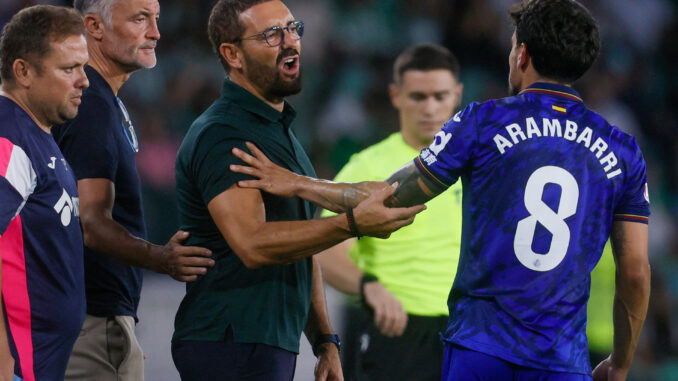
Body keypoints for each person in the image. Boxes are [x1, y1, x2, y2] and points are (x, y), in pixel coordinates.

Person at [231, 0, 651, 379]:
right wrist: (620, 362)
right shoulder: (624, 150)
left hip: (480, 350)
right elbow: (634, 272)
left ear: (522, 54)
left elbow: (389, 197)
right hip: (562, 359)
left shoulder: (484, 122)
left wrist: (297, 183)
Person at [171, 1, 425, 380]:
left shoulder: (279, 131)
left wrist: (325, 341)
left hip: (265, 342)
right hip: (229, 340)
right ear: (232, 54)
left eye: (293, 28)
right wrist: (351, 224)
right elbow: (253, 244)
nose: (291, 42)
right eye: (271, 34)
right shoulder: (224, 133)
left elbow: (305, 247)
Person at [51, 0, 214, 379]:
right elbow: (91, 223)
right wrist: (162, 258)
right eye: (140, 19)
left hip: (92, 317)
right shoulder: (90, 104)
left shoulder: (101, 101)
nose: (156, 32)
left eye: (155, 19)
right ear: (94, 26)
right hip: (91, 324)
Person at [317, 43, 463, 381]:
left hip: (466, 331)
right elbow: (326, 249)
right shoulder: (368, 166)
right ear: (396, 95)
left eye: (440, 96)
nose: (430, 107)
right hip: (394, 329)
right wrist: (368, 286)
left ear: (457, 94)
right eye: (418, 96)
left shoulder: (476, 167)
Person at [0, 5, 89, 380]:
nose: (84, 80)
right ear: (23, 72)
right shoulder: (10, 141)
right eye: (69, 69)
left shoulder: (38, 137)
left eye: (83, 67)